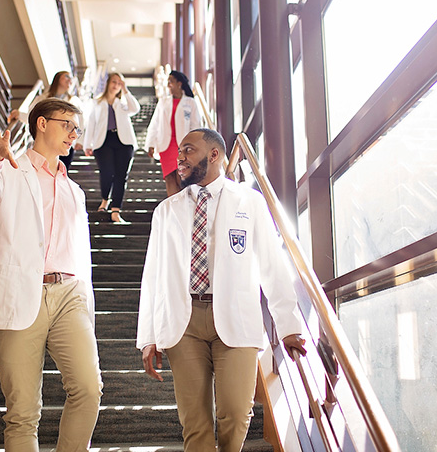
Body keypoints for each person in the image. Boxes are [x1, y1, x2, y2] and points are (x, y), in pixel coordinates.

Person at [136, 128, 307, 452]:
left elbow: (272, 265)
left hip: (236, 316)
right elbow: (153, 276)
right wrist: (148, 336)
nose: (180, 157)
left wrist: (288, 326)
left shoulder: (250, 202)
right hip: (183, 323)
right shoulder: (167, 211)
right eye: (180, 151)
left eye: (188, 150)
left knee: (235, 413)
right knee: (195, 423)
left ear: (214, 155)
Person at [0, 98, 102, 452]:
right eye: (67, 124)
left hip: (69, 294)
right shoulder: (9, 168)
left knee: (88, 388)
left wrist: (84, 296)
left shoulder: (75, 190)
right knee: (23, 412)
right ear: (41, 123)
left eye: (77, 128)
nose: (74, 134)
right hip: (20, 294)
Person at [83, 72, 140, 224]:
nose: (116, 85)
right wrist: (87, 144)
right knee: (107, 172)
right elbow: (91, 124)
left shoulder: (123, 103)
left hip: (124, 142)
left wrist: (126, 90)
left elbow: (136, 108)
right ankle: (104, 200)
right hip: (103, 142)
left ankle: (115, 211)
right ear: (108, 83)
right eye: (114, 82)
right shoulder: (96, 103)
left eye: (119, 83)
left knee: (121, 176)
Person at [9, 71, 84, 170]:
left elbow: (80, 123)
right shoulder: (43, 98)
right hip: (46, 142)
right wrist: (19, 114)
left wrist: (80, 141)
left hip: (66, 144)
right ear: (57, 79)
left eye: (71, 78)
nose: (70, 80)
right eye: (66, 76)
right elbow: (32, 116)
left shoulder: (74, 101)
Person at [144, 70, 202, 196]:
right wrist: (151, 144)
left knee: (182, 179)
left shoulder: (191, 103)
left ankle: (184, 210)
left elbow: (196, 126)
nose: (168, 84)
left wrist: (195, 147)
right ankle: (174, 212)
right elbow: (155, 123)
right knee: (170, 179)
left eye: (171, 81)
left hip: (183, 146)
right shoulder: (163, 102)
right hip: (166, 146)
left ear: (179, 83)